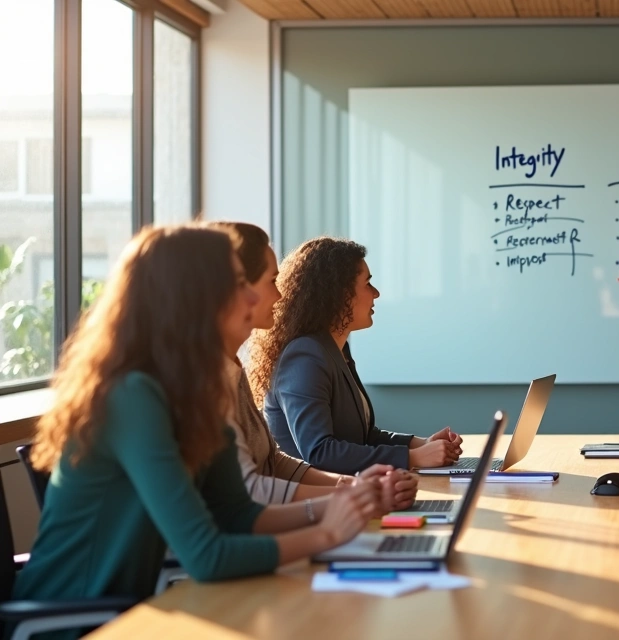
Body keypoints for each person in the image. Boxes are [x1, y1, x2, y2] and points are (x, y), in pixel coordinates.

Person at [15, 225, 387, 619]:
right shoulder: (133, 395)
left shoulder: (199, 390)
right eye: (238, 283)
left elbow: (239, 514)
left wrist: (346, 501)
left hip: (136, 610)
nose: (254, 296)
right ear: (191, 300)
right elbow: (207, 555)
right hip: (76, 621)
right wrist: (328, 533)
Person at [208, 222, 417, 507]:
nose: (280, 295)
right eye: (271, 281)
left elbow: (275, 461)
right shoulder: (305, 354)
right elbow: (315, 453)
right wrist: (354, 495)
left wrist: (354, 487)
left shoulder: (235, 369)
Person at [251, 237, 462, 474]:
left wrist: (421, 445)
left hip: (349, 492)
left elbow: (363, 437)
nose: (376, 293)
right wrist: (413, 457)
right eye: (368, 284)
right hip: (318, 502)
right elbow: (320, 451)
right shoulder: (304, 357)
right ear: (339, 294)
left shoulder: (335, 349)